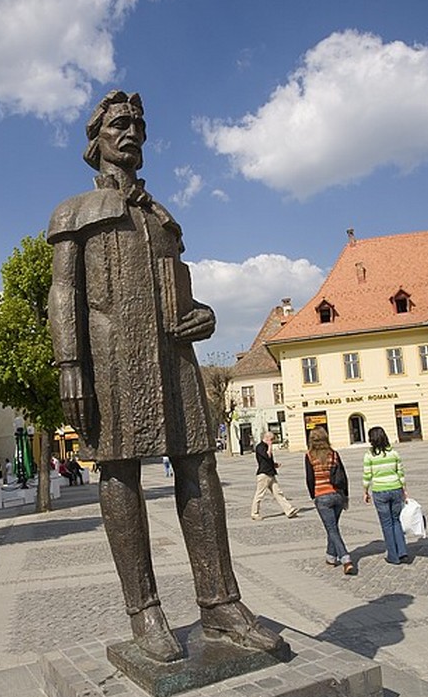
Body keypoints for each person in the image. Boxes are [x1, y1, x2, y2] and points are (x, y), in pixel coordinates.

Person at [47, 89, 285, 663]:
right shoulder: (73, 212)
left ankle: (220, 602)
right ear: (96, 138)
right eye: (118, 124)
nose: (130, 132)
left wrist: (203, 316)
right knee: (120, 471)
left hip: (174, 361)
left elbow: (181, 293)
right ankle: (144, 611)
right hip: (112, 358)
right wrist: (70, 366)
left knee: (200, 466)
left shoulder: (162, 219)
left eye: (137, 125)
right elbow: (63, 293)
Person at [305, 427, 353, 575]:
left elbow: (310, 478)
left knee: (332, 528)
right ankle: (331, 556)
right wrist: (345, 496)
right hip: (337, 495)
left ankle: (345, 558)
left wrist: (313, 495)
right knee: (332, 527)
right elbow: (343, 475)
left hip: (322, 496)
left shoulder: (309, 456)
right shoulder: (333, 454)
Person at [363, 426, 409, 564]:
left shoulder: (369, 455)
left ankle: (393, 556)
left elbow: (367, 475)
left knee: (386, 523)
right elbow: (401, 473)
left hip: (380, 491)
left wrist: (365, 491)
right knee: (396, 520)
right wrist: (404, 490)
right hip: (395, 489)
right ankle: (402, 552)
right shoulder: (394, 453)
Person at [251, 431, 298, 520]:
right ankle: (254, 513)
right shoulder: (260, 447)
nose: (272, 441)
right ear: (267, 438)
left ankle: (289, 510)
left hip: (271, 473)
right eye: (272, 439)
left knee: (278, 493)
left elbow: (268, 461)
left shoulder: (265, 447)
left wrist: (274, 464)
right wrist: (269, 446)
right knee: (259, 495)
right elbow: (267, 456)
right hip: (264, 474)